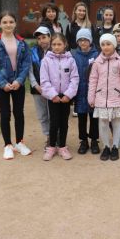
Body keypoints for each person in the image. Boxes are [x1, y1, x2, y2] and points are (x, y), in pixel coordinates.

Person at [0, 11, 32, 160]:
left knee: (19, 113)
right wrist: (2, 83)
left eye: (11, 22)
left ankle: (19, 142)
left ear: (15, 23)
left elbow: (26, 63)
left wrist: (19, 80)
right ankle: (7, 145)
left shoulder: (22, 42)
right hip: (2, 85)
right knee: (5, 113)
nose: (8, 25)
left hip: (18, 83)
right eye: (5, 22)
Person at [88, 33, 120, 161]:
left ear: (114, 45)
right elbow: (93, 81)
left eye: (108, 44)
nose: (105, 47)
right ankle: (106, 146)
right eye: (103, 44)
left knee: (116, 123)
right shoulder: (97, 62)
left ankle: (115, 147)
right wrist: (91, 98)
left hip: (116, 98)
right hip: (101, 98)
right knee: (103, 124)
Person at [40, 33, 79, 161]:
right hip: (53, 97)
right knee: (54, 122)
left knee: (64, 122)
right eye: (54, 44)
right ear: (51, 45)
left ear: (65, 44)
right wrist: (52, 95)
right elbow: (44, 80)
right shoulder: (46, 61)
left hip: (66, 97)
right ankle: (51, 147)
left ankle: (62, 146)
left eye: (59, 44)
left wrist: (68, 94)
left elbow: (74, 79)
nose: (56, 47)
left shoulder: (70, 60)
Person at [71, 28, 100, 155]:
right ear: (77, 42)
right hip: (79, 92)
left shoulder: (97, 55)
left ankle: (94, 140)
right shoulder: (74, 55)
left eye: (86, 40)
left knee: (94, 118)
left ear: (90, 41)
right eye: (80, 40)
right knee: (81, 118)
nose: (83, 42)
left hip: (94, 92)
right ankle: (83, 141)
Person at [28, 25, 51, 145]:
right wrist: (35, 85)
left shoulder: (56, 50)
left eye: (44, 37)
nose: (41, 40)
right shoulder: (32, 52)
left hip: (53, 90)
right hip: (37, 89)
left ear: (49, 37)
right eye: (39, 38)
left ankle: (56, 135)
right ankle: (48, 136)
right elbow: (30, 70)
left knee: (53, 114)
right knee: (42, 114)